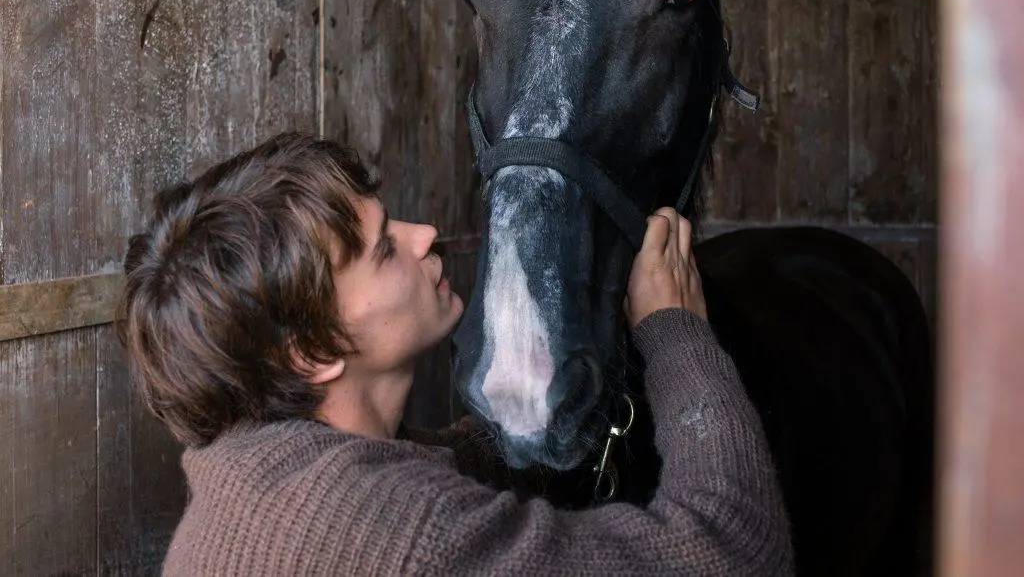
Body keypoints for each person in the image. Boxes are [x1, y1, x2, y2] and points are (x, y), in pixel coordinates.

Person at [119, 132, 793, 576]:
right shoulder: (402, 536)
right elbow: (737, 550)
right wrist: (675, 329)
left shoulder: (252, 479)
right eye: (385, 249)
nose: (426, 236)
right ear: (311, 352)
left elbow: (434, 467)